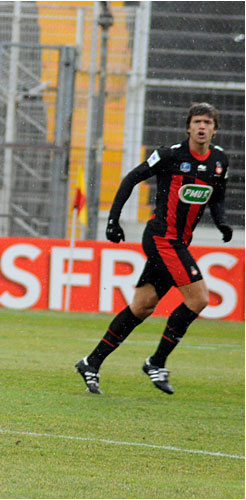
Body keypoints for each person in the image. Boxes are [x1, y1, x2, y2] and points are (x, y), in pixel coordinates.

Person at [76, 102, 232, 395]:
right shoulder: (170, 155)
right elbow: (131, 179)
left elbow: (218, 196)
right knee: (198, 299)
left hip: (179, 242)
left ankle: (91, 362)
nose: (202, 127)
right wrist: (113, 220)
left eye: (207, 123)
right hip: (161, 238)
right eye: (197, 121)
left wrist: (221, 222)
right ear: (188, 127)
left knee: (143, 306)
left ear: (214, 129)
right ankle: (156, 361)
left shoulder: (220, 161)